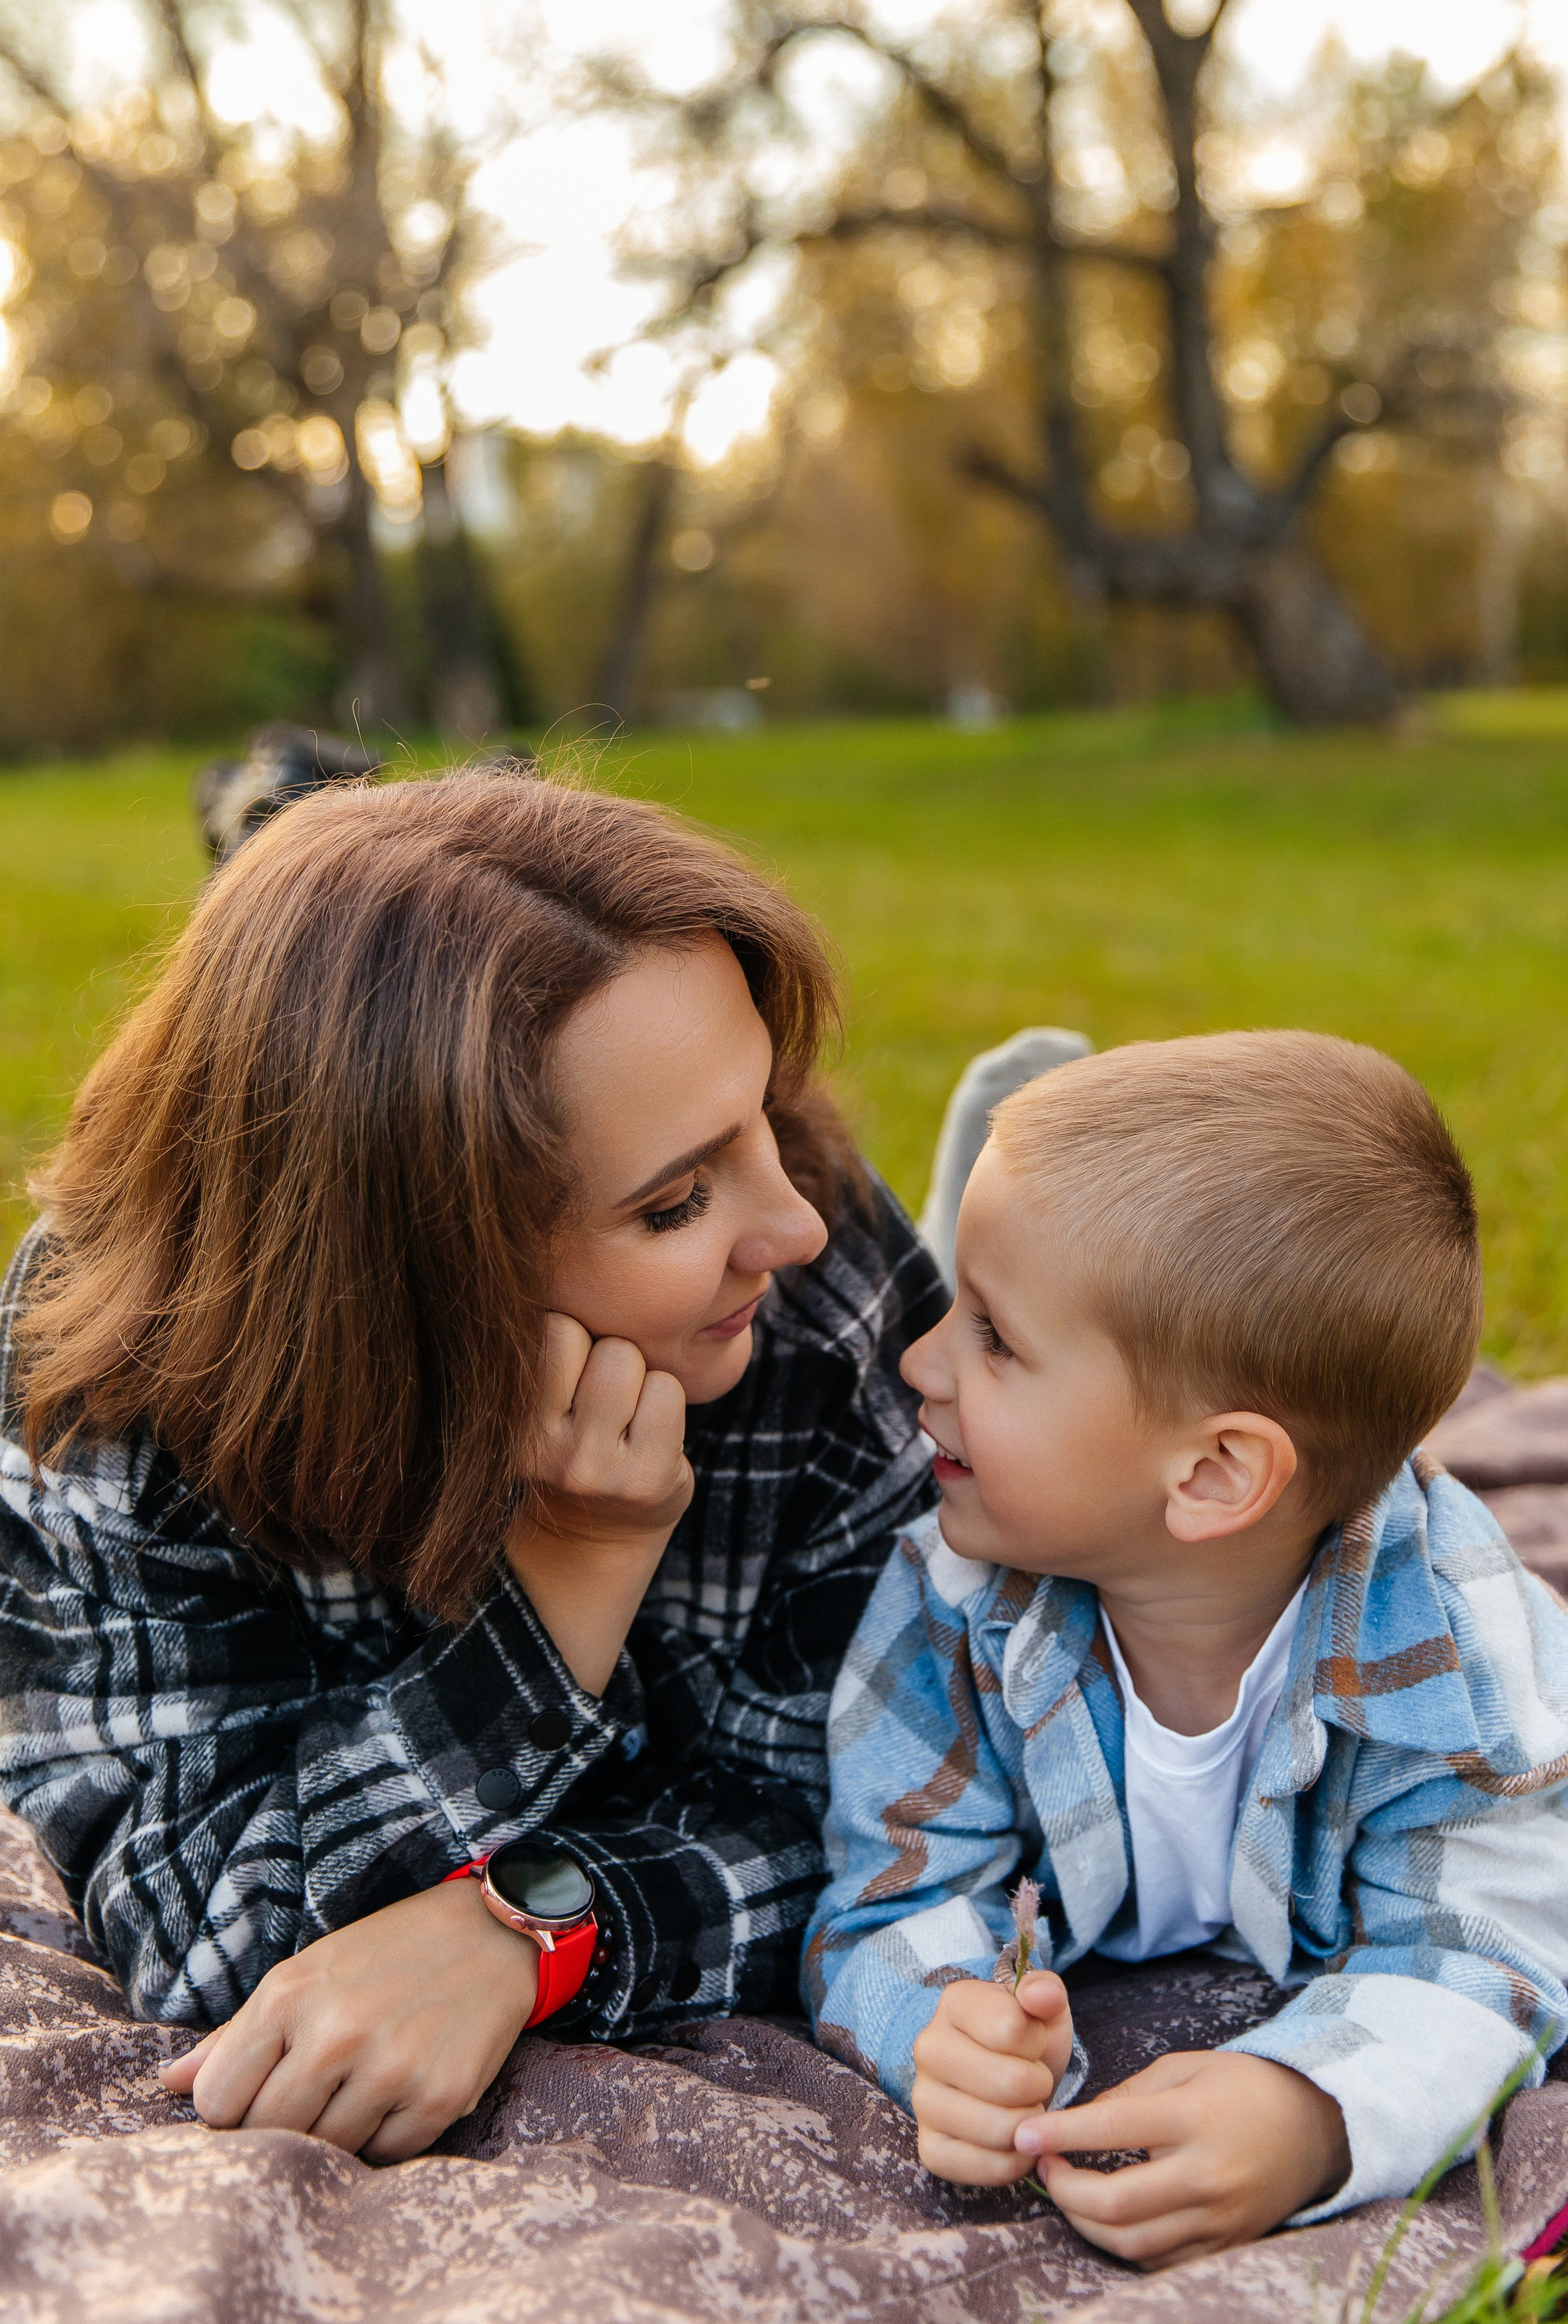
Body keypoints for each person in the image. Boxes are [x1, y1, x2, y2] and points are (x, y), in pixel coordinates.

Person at [0, 770, 944, 2162]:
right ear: (421, 1270)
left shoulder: (815, 1281)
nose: (791, 1222)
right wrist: (566, 1581)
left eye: (765, 1108)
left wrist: (528, 1932)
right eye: (676, 1199)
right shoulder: (106, 1370)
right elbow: (209, 1932)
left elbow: (891, 1803)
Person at [804, 1031, 1568, 2270]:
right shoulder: (952, 1595)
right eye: (954, 1313)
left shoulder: (1460, 1678)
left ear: (1213, 1474)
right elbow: (889, 1894)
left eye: (992, 1338)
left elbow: (1483, 1953)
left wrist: (1314, 2112)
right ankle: (978, 1225)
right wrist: (947, 2029)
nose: (917, 1362)